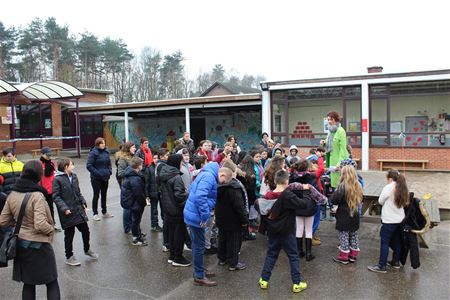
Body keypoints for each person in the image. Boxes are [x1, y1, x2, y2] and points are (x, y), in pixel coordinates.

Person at [0, 160, 60, 300]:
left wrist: (18, 221)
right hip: (39, 246)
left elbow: (3, 221)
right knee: (51, 282)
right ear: (38, 175)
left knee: (28, 283)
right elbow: (40, 224)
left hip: (21, 244)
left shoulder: (13, 194)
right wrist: (51, 229)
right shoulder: (37, 195)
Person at [258, 170, 308, 293]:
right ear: (287, 181)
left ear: (275, 181)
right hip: (287, 231)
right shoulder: (288, 195)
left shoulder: (268, 195)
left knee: (271, 254)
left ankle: (264, 280)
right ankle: (296, 283)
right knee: (293, 256)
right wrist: (306, 193)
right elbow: (303, 205)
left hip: (273, 231)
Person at [183, 163, 226, 286]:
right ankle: (199, 275)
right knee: (199, 245)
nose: (221, 183)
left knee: (198, 244)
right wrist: (205, 215)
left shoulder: (206, 173)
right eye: (223, 181)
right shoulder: (209, 177)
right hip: (196, 216)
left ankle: (200, 269)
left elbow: (192, 190)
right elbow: (200, 197)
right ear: (222, 174)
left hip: (193, 213)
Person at [53, 158, 99, 265]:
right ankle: (69, 256)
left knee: (85, 230)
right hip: (68, 212)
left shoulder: (74, 176)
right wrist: (64, 208)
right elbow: (56, 196)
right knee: (69, 234)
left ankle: (87, 249)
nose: (73, 167)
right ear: (65, 167)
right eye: (71, 165)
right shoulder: (57, 179)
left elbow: (77, 191)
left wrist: (82, 200)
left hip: (78, 210)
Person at [368, 169, 409, 273]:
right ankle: (396, 262)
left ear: (390, 178)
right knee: (397, 241)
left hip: (389, 219)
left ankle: (382, 266)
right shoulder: (403, 187)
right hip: (400, 219)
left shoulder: (389, 187)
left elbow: (380, 201)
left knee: (384, 242)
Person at [159, 154, 190, 266]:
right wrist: (187, 194)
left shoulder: (164, 173)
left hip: (167, 208)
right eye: (181, 162)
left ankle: (172, 256)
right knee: (178, 234)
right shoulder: (176, 177)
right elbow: (179, 196)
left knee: (171, 234)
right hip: (176, 210)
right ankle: (178, 258)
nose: (182, 165)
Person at [216, 167, 248, 271]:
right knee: (234, 241)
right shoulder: (234, 188)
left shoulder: (217, 187)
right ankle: (233, 263)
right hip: (234, 221)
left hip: (221, 219)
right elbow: (239, 207)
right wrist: (244, 220)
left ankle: (222, 258)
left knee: (222, 238)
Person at [330, 165, 363, 265]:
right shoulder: (358, 185)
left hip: (344, 215)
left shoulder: (342, 186)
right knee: (353, 235)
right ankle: (353, 255)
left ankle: (343, 256)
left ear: (343, 174)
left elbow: (334, 200)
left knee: (344, 236)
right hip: (355, 214)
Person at [121, 157, 147, 246]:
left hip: (131, 201)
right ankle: (136, 238)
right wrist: (144, 202)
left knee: (135, 220)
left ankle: (138, 234)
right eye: (141, 164)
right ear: (138, 166)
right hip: (135, 203)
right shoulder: (135, 179)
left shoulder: (130, 174)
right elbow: (138, 194)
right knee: (136, 220)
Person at [86, 137, 113, 221]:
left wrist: (109, 171)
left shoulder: (106, 152)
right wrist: (98, 174)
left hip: (105, 177)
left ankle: (104, 212)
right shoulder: (93, 153)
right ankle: (95, 213)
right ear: (97, 144)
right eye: (102, 143)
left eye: (104, 143)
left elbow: (109, 163)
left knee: (104, 195)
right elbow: (89, 166)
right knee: (96, 195)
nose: (103, 144)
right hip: (96, 178)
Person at [322, 111, 349, 189]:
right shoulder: (330, 132)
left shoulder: (340, 131)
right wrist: (324, 143)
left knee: (340, 185)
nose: (329, 121)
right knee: (334, 185)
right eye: (328, 119)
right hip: (331, 161)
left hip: (339, 162)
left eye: (331, 119)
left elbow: (343, 149)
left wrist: (339, 162)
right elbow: (329, 145)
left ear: (336, 120)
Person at [116, 141, 136, 233]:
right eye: (133, 147)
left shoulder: (134, 157)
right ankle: (127, 228)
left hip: (135, 185)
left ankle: (134, 227)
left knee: (134, 207)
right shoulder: (123, 159)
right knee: (127, 208)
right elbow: (120, 173)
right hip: (127, 186)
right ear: (128, 148)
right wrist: (133, 170)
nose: (135, 149)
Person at [39, 147, 60, 232]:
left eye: (50, 155)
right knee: (41, 209)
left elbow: (53, 175)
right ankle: (43, 225)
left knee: (51, 208)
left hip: (51, 190)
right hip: (42, 190)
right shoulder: (39, 164)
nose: (49, 157)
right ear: (42, 154)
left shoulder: (51, 163)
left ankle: (52, 224)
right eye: (47, 155)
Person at [145, 153, 163, 232]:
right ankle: (154, 225)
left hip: (161, 192)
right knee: (154, 210)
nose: (156, 160)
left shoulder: (162, 167)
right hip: (153, 193)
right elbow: (147, 183)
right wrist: (147, 194)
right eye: (154, 158)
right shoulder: (149, 168)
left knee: (164, 209)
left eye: (157, 158)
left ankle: (165, 223)